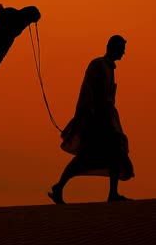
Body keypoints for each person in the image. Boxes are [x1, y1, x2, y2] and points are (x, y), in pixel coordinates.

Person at [48, 35, 134, 204]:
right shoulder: (97, 65)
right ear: (113, 47)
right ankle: (59, 187)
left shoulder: (110, 69)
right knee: (85, 158)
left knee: (116, 153)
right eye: (121, 49)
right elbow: (87, 90)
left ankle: (112, 193)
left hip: (107, 120)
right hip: (95, 120)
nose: (123, 53)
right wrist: (89, 116)